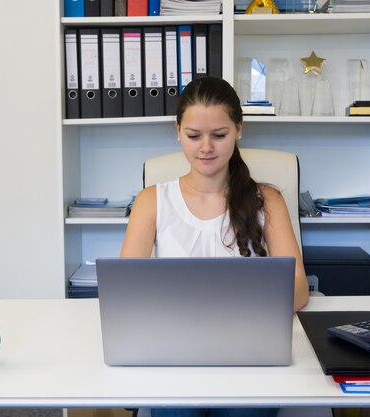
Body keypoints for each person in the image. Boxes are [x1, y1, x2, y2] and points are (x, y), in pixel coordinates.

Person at [120, 76, 309, 417]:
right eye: (194, 136)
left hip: (250, 351)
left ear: (239, 130)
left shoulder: (267, 200)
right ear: (177, 131)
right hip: (174, 354)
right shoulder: (152, 202)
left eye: (219, 135)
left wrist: (248, 308)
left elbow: (298, 288)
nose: (205, 147)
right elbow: (125, 294)